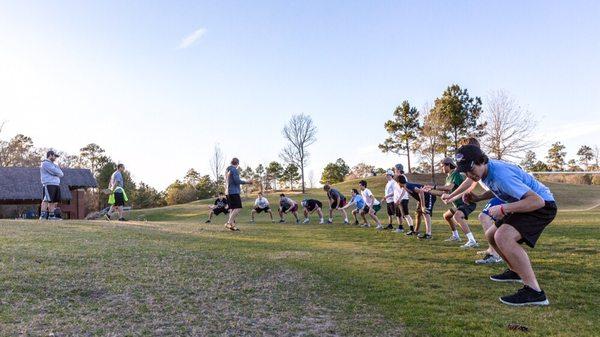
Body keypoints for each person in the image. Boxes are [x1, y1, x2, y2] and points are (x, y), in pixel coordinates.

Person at [456, 145, 556, 306]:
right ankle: (516, 272)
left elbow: (537, 201)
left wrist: (504, 208)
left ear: (481, 161)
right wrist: (479, 198)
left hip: (542, 206)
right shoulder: (486, 173)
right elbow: (499, 189)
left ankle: (535, 292)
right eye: (465, 171)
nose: (469, 174)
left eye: (470, 169)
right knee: (491, 235)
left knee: (503, 236)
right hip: (527, 203)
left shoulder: (501, 174)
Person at [441, 137, 504, 264]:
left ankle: (495, 254)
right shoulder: (477, 164)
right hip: (500, 194)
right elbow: (469, 182)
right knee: (489, 219)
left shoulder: (482, 164)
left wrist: (451, 196)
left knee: (485, 217)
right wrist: (452, 196)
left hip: (505, 194)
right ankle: (493, 250)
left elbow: (469, 182)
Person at [424, 158, 478, 248]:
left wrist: (434, 186)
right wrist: (429, 191)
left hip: (466, 202)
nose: (442, 169)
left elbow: (449, 188)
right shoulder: (448, 177)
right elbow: (444, 193)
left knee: (457, 216)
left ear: (448, 165)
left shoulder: (455, 174)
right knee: (447, 216)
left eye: (442, 166)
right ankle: (456, 236)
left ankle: (472, 241)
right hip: (458, 204)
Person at [397, 175, 435, 240]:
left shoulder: (408, 185)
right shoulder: (405, 186)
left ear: (398, 182)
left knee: (425, 213)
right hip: (422, 198)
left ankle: (428, 234)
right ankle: (416, 231)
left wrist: (423, 206)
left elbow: (421, 191)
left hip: (429, 196)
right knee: (418, 214)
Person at [225, 158, 253, 231]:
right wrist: (247, 182)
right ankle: (228, 223)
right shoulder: (234, 170)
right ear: (237, 163)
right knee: (238, 208)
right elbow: (237, 181)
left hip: (227, 192)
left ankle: (232, 226)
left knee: (232, 209)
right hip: (234, 192)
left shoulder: (227, 169)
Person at [39, 150, 64, 220]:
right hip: (48, 184)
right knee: (46, 199)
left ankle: (51, 216)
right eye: (54, 156)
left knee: (53, 201)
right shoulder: (45, 163)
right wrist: (56, 173)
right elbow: (56, 172)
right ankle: (43, 216)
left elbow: (61, 174)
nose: (55, 158)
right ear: (50, 155)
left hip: (56, 184)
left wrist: (56, 172)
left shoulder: (55, 165)